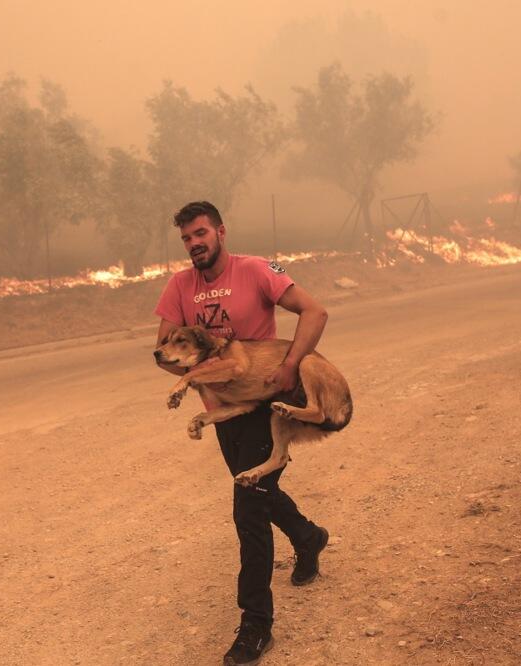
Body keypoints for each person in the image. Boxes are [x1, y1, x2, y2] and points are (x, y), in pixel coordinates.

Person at [154, 201, 331, 665]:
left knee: (247, 511)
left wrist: (291, 365)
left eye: (200, 233)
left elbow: (314, 312)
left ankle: (255, 624)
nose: (194, 244)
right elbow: (166, 351)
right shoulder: (179, 286)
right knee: (259, 490)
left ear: (220, 232)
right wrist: (201, 392)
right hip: (223, 414)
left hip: (263, 403)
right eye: (186, 238)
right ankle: (308, 536)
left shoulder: (256, 270)